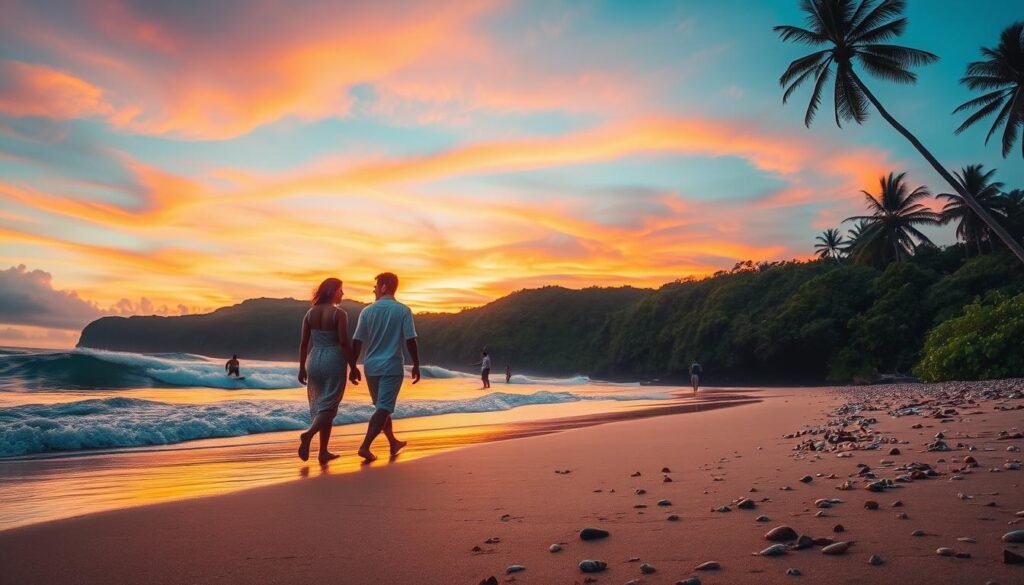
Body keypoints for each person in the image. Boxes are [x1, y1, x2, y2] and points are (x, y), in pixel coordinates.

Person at [350, 272, 419, 462]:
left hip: (371, 367)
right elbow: (410, 340)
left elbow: (357, 341)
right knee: (383, 408)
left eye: (375, 286)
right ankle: (365, 447)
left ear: (384, 287)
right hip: (391, 366)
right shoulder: (403, 311)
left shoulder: (367, 311)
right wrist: (416, 364)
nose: (373, 290)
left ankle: (393, 442)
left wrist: (353, 365)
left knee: (382, 408)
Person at [297, 277, 358, 466]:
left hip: (314, 359)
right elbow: (344, 342)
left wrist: (301, 367)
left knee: (323, 404)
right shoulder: (339, 314)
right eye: (341, 290)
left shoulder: (309, 314)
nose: (343, 293)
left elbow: (304, 343)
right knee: (329, 406)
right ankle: (308, 435)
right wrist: (353, 366)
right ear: (332, 291)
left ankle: (323, 451)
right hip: (333, 359)